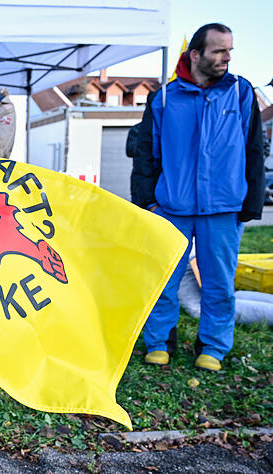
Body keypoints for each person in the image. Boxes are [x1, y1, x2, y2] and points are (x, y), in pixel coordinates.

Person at [131, 23, 264, 372]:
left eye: (229, 50)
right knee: (162, 280)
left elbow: (254, 149)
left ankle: (214, 348)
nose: (227, 57)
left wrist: (250, 203)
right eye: (219, 50)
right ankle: (159, 342)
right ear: (196, 54)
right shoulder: (163, 97)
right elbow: (146, 151)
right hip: (171, 208)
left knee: (218, 284)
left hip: (222, 209)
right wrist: (148, 202)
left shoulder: (240, 92)